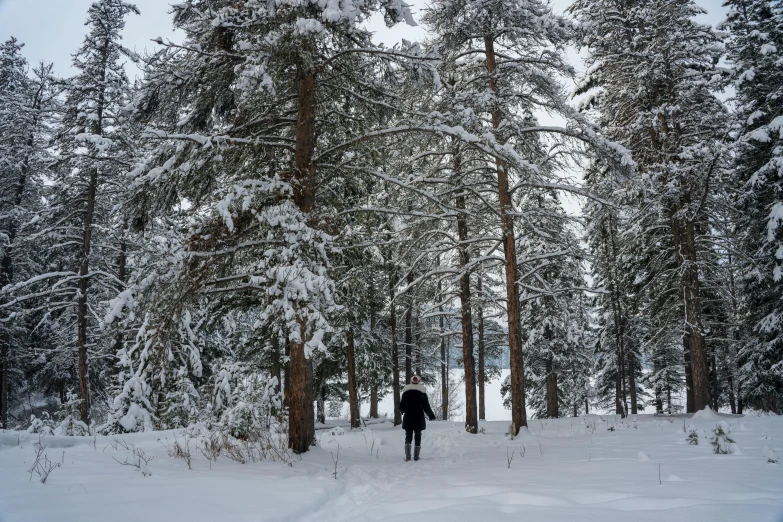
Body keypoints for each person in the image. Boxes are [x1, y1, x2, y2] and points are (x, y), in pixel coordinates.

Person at [399, 375, 436, 462]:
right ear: (419, 382)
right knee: (418, 436)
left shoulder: (406, 393)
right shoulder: (423, 394)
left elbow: (401, 406)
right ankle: (416, 456)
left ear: (411, 382)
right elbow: (427, 407)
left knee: (408, 436)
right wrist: (431, 415)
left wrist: (403, 410)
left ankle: (408, 457)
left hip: (408, 417)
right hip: (419, 417)